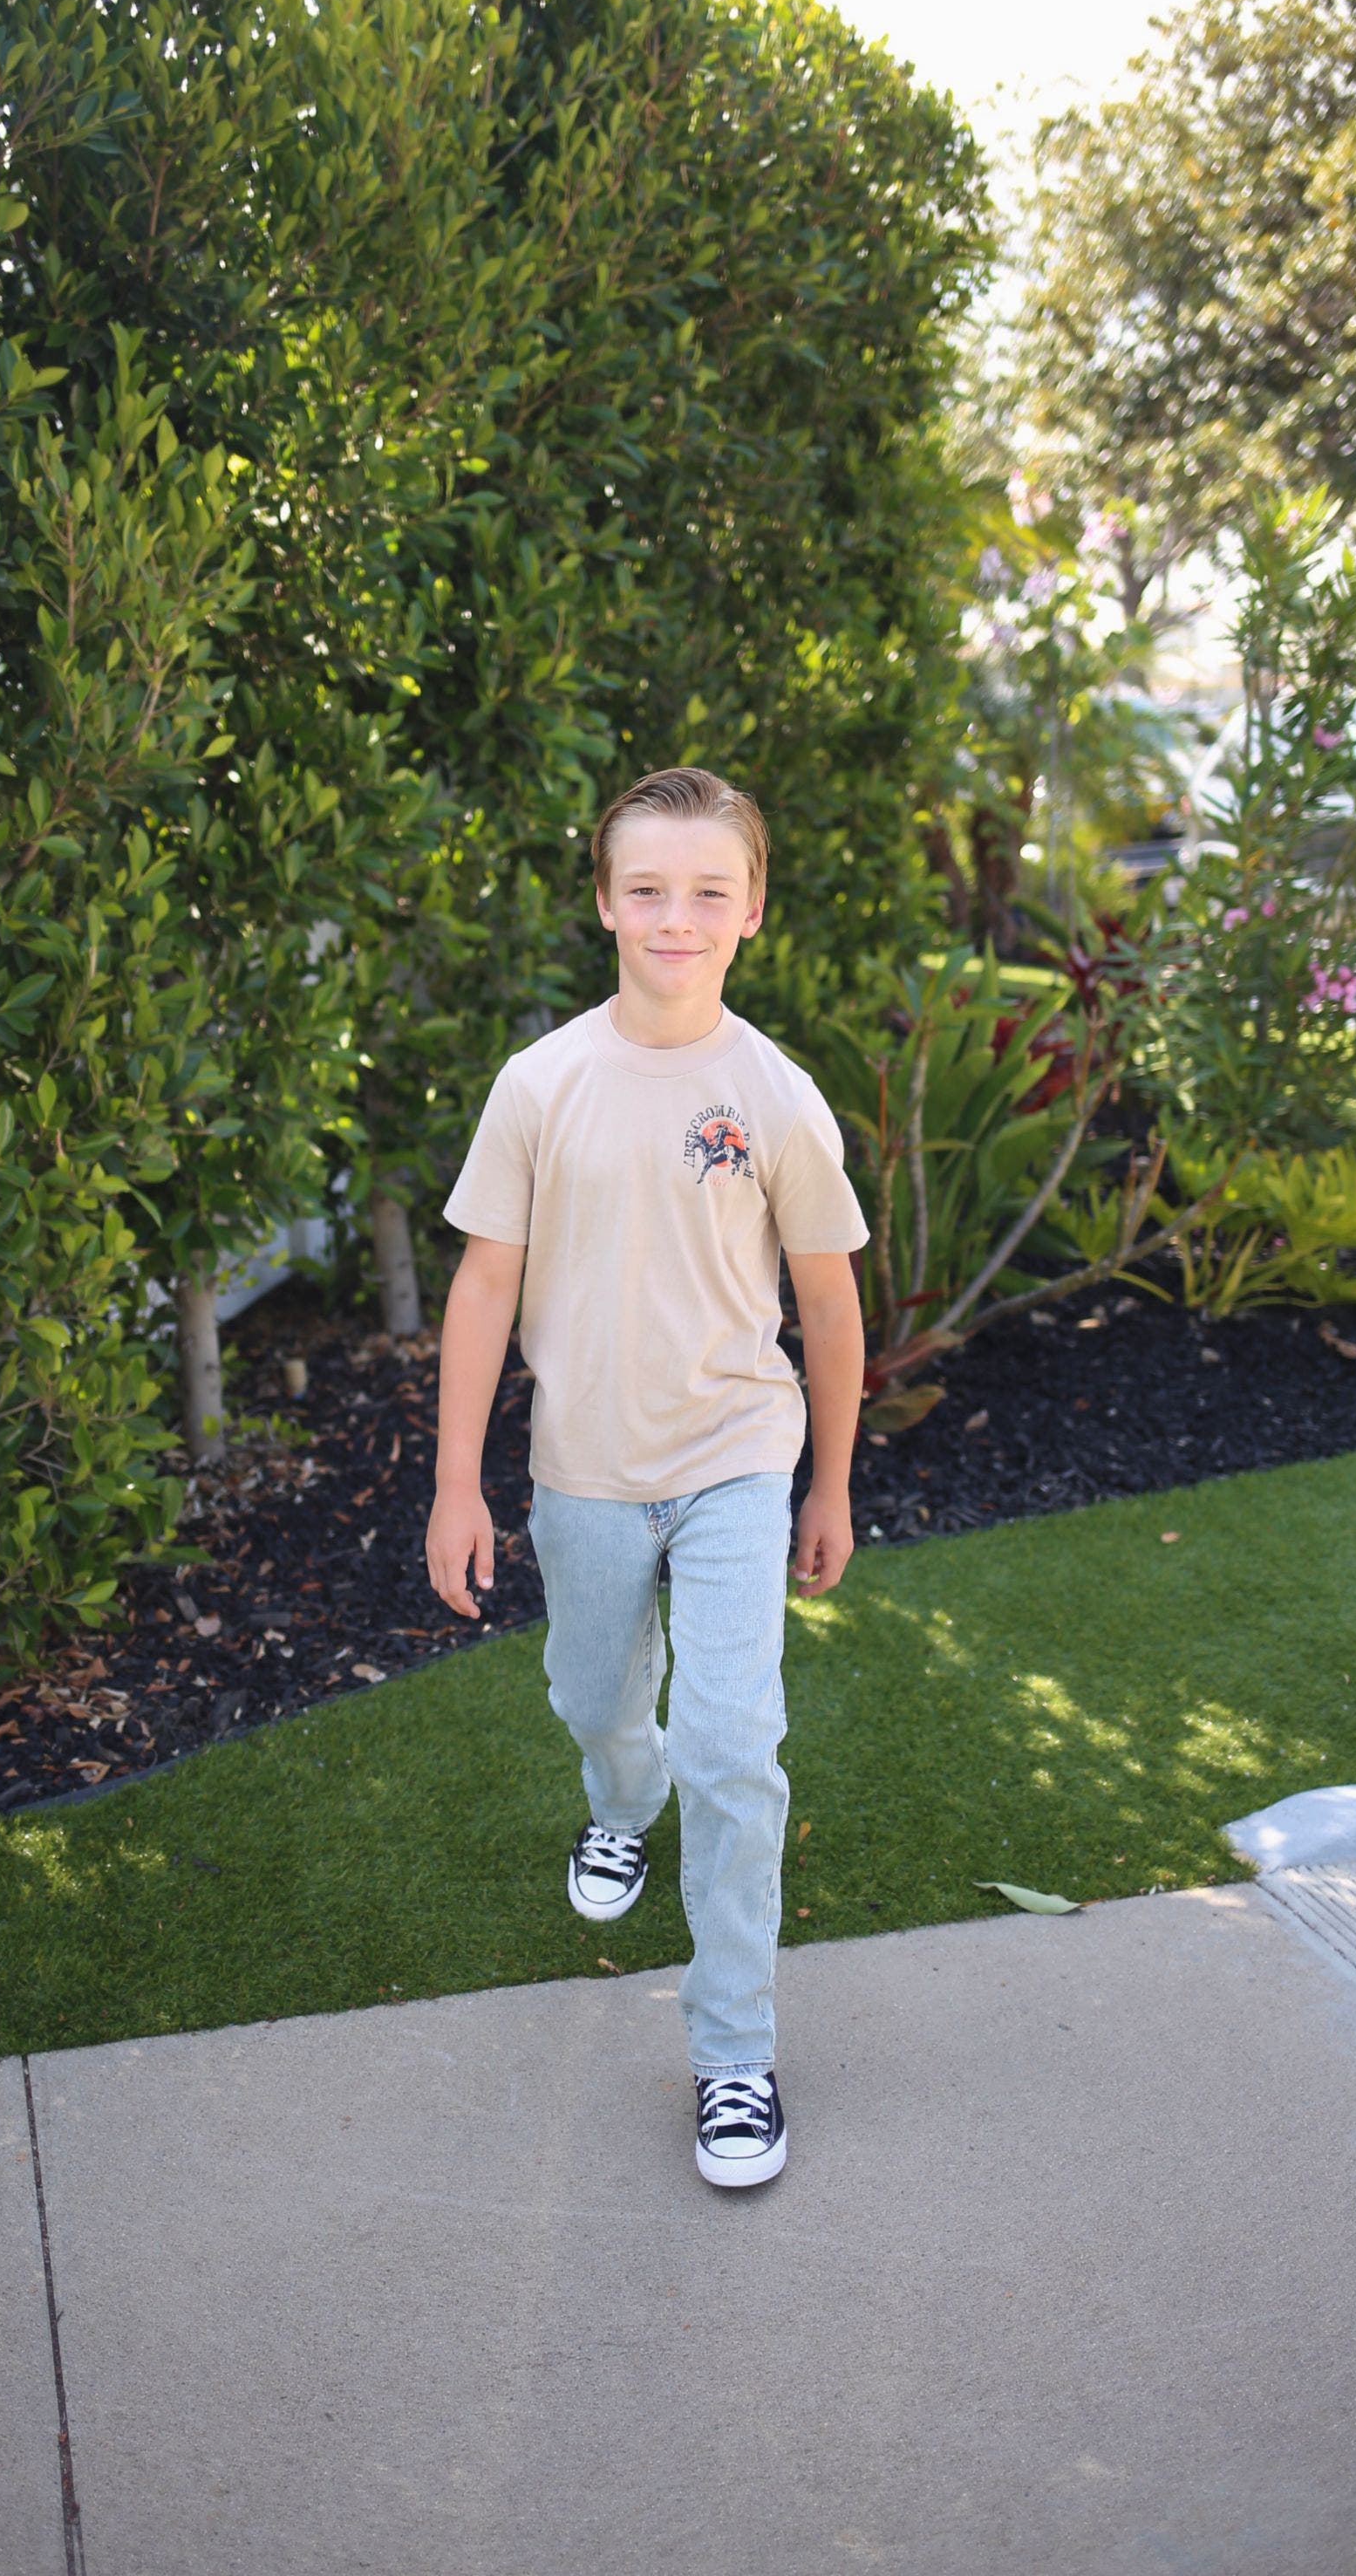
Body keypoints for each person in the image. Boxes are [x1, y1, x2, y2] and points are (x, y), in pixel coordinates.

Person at [426, 766, 867, 2188]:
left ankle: (731, 2052)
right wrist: (456, 1483)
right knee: (596, 1701)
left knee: (737, 1745)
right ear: (605, 900)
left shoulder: (775, 1096)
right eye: (647, 889)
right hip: (585, 1470)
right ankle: (623, 1804)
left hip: (738, 1450)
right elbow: (483, 1289)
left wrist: (829, 1487)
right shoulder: (540, 1083)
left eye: (707, 892)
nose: (675, 918)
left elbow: (832, 1308)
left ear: (752, 912)